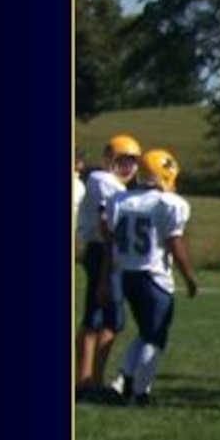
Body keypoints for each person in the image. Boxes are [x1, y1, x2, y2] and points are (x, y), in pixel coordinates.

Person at [106, 149, 198, 406]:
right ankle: (141, 391)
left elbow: (111, 240)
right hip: (153, 277)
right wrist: (189, 277)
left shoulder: (120, 200)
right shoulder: (168, 204)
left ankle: (122, 379)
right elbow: (175, 244)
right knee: (156, 335)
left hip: (127, 274)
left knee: (146, 331)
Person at [76, 133, 143, 401]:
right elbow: (108, 224)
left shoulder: (112, 184)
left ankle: (87, 381)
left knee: (96, 317)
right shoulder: (103, 181)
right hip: (104, 252)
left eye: (132, 161)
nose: (128, 167)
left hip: (103, 251)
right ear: (107, 159)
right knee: (108, 319)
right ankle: (91, 380)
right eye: (122, 160)